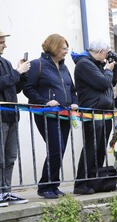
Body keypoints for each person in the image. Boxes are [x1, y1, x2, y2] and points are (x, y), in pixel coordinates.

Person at [24, 34, 79, 199]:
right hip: (46, 114)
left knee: (60, 150)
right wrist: (45, 101)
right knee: (56, 148)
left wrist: (74, 102)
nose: (66, 52)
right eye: (63, 48)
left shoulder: (64, 67)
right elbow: (28, 89)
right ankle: (44, 186)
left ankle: (53, 185)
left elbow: (72, 89)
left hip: (65, 114)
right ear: (54, 47)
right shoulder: (37, 65)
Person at [71, 40, 117, 195]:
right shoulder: (84, 64)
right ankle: (81, 183)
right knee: (91, 147)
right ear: (100, 52)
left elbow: (111, 82)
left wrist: (114, 66)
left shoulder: (98, 64)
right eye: (106, 53)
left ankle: (94, 180)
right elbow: (102, 83)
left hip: (104, 112)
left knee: (100, 148)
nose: (107, 56)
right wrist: (107, 70)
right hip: (92, 112)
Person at [0, 29, 30, 206]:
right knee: (0, 157)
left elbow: (13, 87)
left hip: (11, 115)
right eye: (2, 42)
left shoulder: (5, 62)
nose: (5, 45)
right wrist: (16, 72)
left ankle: (6, 192)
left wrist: (22, 75)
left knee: (10, 156)